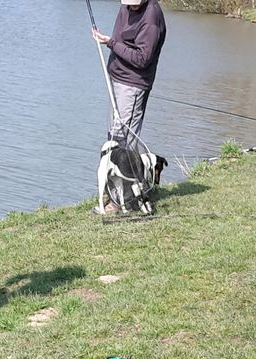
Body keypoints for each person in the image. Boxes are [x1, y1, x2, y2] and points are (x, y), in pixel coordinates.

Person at [92, 0, 166, 213]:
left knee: (124, 142)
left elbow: (142, 59)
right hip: (116, 78)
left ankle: (126, 200)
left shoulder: (151, 19)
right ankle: (118, 193)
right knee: (113, 140)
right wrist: (107, 41)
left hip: (133, 84)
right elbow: (123, 38)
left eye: (133, 4)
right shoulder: (126, 6)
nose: (129, 7)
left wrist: (111, 43)